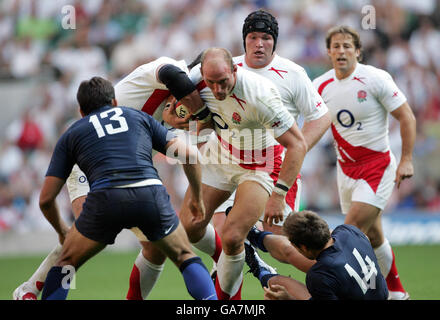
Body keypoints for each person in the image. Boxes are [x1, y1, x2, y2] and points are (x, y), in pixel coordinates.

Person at [12, 56, 208, 300]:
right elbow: (170, 78)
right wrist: (201, 113)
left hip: (118, 170)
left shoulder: (168, 103)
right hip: (92, 162)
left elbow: (46, 199)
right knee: (79, 239)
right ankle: (30, 289)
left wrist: (176, 123)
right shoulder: (172, 72)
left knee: (147, 248)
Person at [176, 47, 307, 300]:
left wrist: (278, 194)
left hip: (261, 163)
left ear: (235, 70)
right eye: (211, 83)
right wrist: (190, 125)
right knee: (190, 227)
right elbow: (179, 108)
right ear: (201, 74)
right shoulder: (193, 81)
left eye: (223, 82)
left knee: (233, 236)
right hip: (223, 153)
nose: (218, 90)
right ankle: (240, 254)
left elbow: (297, 144)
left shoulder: (259, 93)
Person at [312, 25, 416, 300]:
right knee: (373, 237)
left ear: (358, 51)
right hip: (345, 171)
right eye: (336, 46)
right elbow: (306, 122)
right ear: (329, 52)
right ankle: (397, 293)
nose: (341, 51)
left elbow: (407, 117)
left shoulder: (375, 79)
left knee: (348, 236)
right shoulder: (319, 85)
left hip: (376, 167)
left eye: (347, 46)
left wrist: (405, 160)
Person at [247, 210, 388, 300]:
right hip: (379, 295)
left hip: (333, 273)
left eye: (295, 245)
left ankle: (261, 269)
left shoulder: (319, 276)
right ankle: (254, 235)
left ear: (303, 247)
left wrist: (289, 299)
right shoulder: (349, 231)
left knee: (279, 285)